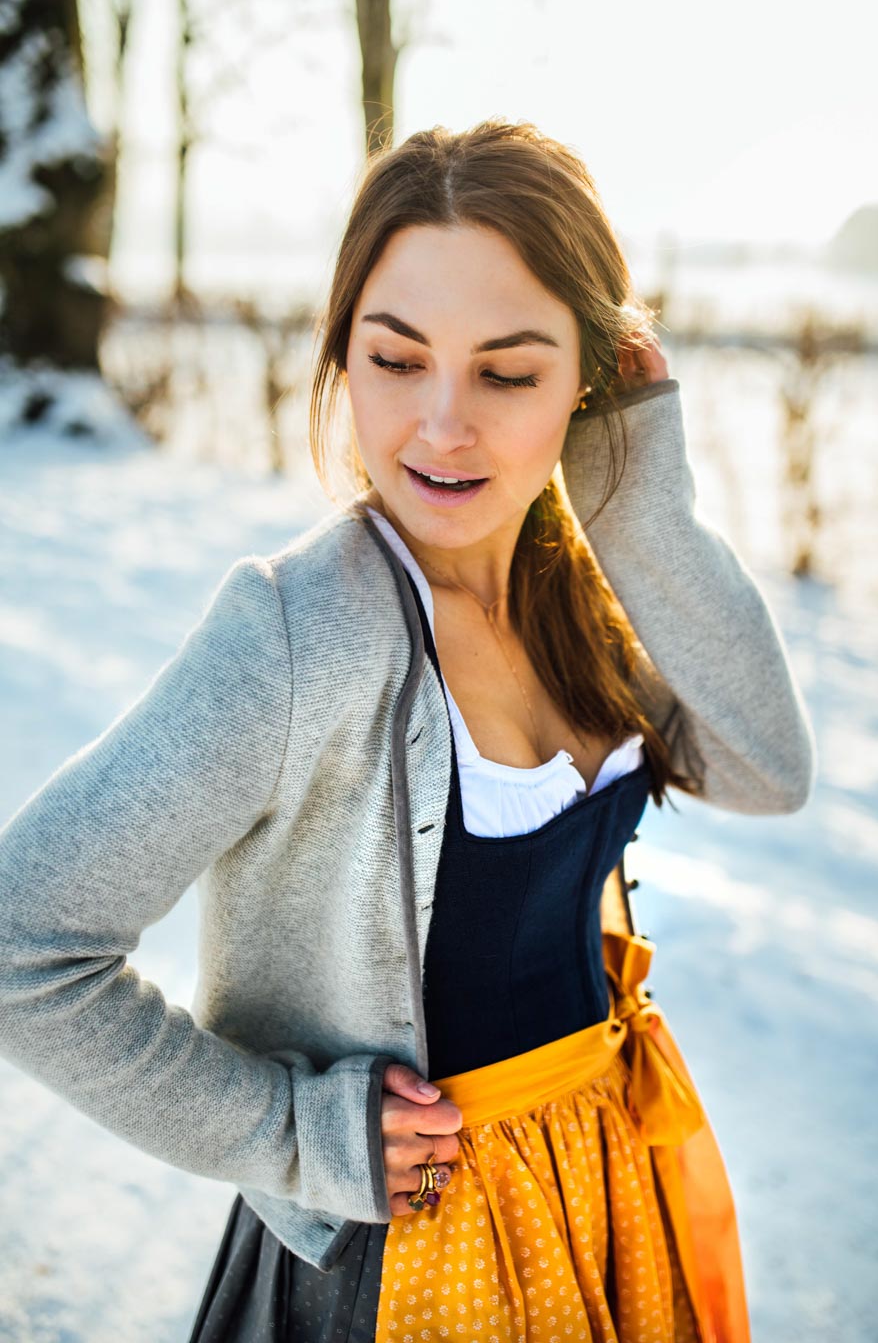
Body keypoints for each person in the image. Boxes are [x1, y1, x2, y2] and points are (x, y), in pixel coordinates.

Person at [0, 119, 816, 1343]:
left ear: (589, 381)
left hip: (597, 1185)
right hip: (406, 1260)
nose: (441, 426)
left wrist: (638, 505)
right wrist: (294, 1133)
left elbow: (766, 765)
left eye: (507, 371)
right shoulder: (293, 635)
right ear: (343, 354)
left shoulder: (578, 595)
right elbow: (24, 944)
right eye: (394, 359)